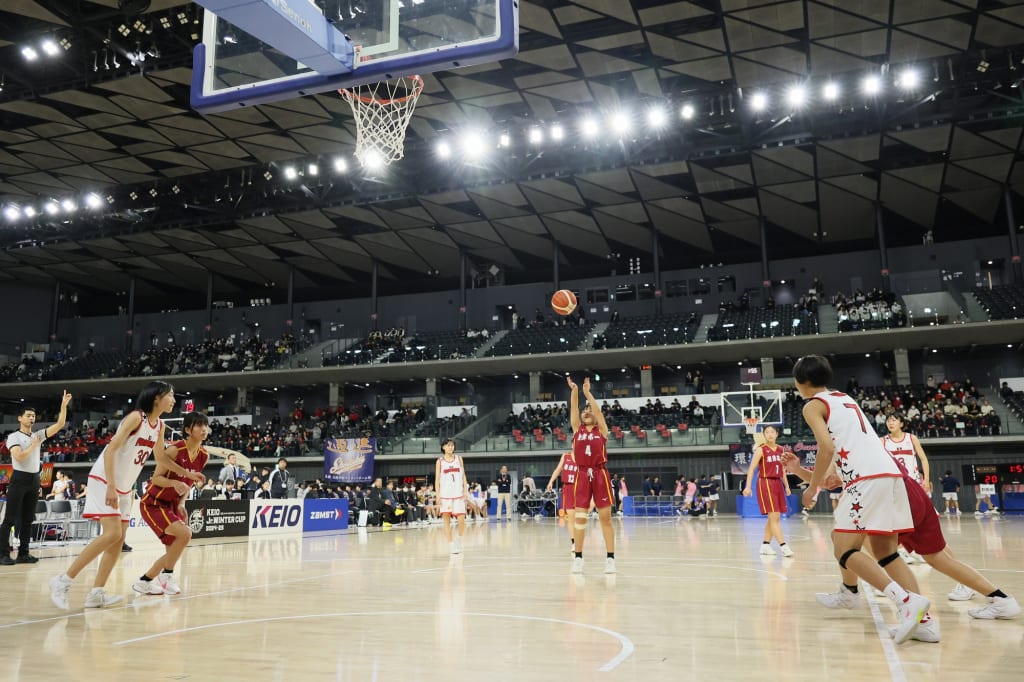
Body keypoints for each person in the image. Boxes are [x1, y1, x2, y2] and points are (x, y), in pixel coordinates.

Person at [784, 452, 1021, 636]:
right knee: (938, 558)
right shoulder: (864, 438)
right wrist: (799, 470)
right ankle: (1001, 599)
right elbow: (831, 481)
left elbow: (827, 481)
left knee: (860, 547)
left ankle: (912, 616)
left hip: (893, 497)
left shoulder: (843, 439)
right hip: (910, 492)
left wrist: (801, 474)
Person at [793, 355, 929, 644]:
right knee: (886, 552)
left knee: (844, 551)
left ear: (801, 382)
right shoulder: (844, 398)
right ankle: (922, 622)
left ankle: (905, 601)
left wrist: (811, 490)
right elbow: (835, 467)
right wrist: (800, 472)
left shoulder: (812, 405)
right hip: (891, 476)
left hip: (866, 481)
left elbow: (826, 449)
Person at [49, 381, 204, 609]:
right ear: (156, 398)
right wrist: (111, 485)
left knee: (118, 540)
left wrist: (186, 474)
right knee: (111, 534)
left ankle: (96, 593)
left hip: (124, 487)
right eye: (170, 395)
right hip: (105, 479)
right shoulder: (136, 418)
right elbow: (111, 449)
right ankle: (62, 580)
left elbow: (161, 458)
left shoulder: (159, 426)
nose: (174, 400)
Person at [133, 411, 210, 597]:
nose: (204, 429)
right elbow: (156, 479)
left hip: (172, 504)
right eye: (199, 425)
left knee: (174, 549)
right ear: (187, 430)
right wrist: (174, 483)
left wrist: (182, 503)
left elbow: (189, 483)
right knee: (185, 535)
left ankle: (144, 581)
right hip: (153, 502)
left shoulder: (204, 455)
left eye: (205, 425)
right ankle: (167, 576)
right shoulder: (174, 450)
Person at [1, 391, 72, 565]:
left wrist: (63, 405)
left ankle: (23, 553)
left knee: (28, 519)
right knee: (10, 518)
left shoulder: (38, 435)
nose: (32, 418)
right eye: (28, 415)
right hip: (19, 478)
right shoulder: (14, 437)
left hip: (34, 479)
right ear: (20, 418)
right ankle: (2, 554)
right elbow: (19, 457)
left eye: (33, 416)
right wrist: (34, 445)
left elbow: (60, 424)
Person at [566, 376, 615, 574]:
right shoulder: (577, 429)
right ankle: (578, 557)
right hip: (582, 475)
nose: (587, 412)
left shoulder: (602, 430)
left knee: (606, 518)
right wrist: (575, 391)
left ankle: (610, 558)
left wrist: (588, 393)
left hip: (600, 474)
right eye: (585, 410)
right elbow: (574, 409)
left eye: (589, 411)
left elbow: (598, 411)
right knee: (579, 518)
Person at [741, 425, 793, 557]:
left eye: (772, 432)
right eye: (767, 432)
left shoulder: (781, 450)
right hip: (765, 483)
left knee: (774, 517)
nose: (770, 434)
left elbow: (783, 471)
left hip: (777, 483)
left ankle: (765, 545)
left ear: (776, 434)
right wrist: (747, 486)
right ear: (764, 435)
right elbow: (751, 469)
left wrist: (786, 486)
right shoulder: (761, 450)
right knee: (774, 516)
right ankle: (783, 546)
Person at [435, 438, 468, 554]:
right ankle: (451, 544)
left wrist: (465, 490)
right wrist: (437, 494)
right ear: (443, 447)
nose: (451, 447)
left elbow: (463, 475)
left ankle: (459, 538)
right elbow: (437, 478)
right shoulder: (440, 461)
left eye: (452, 445)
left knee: (461, 520)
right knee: (446, 520)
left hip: (458, 494)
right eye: (448, 445)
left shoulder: (459, 459)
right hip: (445, 495)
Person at [881, 415, 931, 492]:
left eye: (893, 420)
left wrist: (926, 480)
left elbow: (924, 459)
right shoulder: (882, 441)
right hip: (893, 483)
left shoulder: (912, 438)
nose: (890, 423)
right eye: (888, 421)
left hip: (912, 481)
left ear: (901, 424)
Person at [546, 450, 578, 554]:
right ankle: (574, 542)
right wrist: (551, 481)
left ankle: (580, 539)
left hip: (580, 488)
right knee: (570, 518)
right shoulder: (565, 456)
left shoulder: (584, 455)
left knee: (580, 518)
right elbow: (558, 469)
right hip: (568, 488)